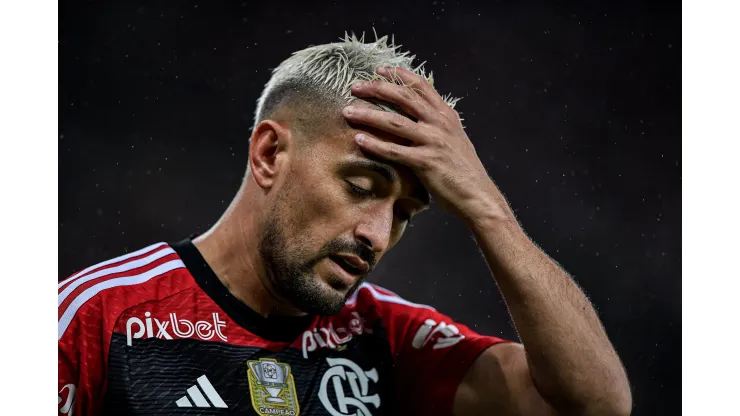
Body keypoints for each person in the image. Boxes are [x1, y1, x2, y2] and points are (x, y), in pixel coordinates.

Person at [58, 33, 631, 415]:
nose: (377, 236)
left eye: (404, 214)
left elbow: (595, 404)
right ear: (269, 155)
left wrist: (487, 208)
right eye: (361, 188)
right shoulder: (98, 319)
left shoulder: (388, 339)